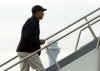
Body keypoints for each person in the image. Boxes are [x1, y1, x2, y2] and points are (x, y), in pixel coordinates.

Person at [16, 5, 47, 71]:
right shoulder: (32, 22)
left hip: (22, 50)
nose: (43, 14)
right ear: (37, 12)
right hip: (28, 51)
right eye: (42, 11)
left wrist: (38, 41)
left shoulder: (32, 21)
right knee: (40, 69)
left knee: (24, 70)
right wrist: (39, 42)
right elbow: (27, 37)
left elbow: (29, 36)